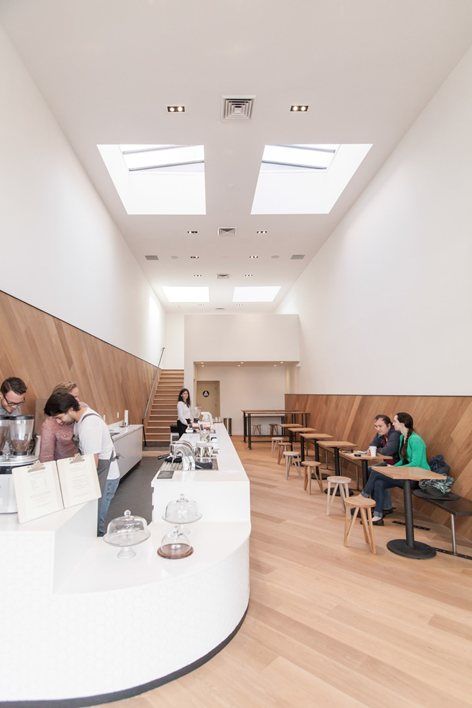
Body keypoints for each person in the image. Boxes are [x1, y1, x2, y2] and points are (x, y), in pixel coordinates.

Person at [44, 391, 119, 536]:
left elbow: (92, 464)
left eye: (60, 417)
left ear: (70, 409)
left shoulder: (89, 425)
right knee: (92, 522)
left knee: (96, 525)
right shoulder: (82, 419)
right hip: (101, 474)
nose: (59, 422)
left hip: (106, 478)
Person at [361, 412, 430, 525]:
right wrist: (393, 467)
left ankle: (364, 496)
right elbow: (403, 459)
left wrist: (396, 469)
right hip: (406, 474)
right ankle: (378, 516)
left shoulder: (415, 440)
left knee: (376, 472)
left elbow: (416, 463)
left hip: (418, 477)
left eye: (395, 421)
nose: (393, 424)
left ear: (402, 424)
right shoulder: (403, 437)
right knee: (379, 482)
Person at [39, 381, 85, 462]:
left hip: (85, 464)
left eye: (78, 396)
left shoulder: (83, 409)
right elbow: (46, 457)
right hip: (64, 469)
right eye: (74, 397)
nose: (78, 400)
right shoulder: (49, 425)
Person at [366, 414, 401, 515]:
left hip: (397, 465)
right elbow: (372, 445)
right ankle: (380, 505)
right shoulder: (380, 434)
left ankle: (371, 500)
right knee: (370, 470)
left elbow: (388, 451)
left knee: (374, 472)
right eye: (375, 426)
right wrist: (374, 448)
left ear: (389, 425)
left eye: (380, 426)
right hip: (388, 464)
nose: (377, 429)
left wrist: (376, 450)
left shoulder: (394, 434)